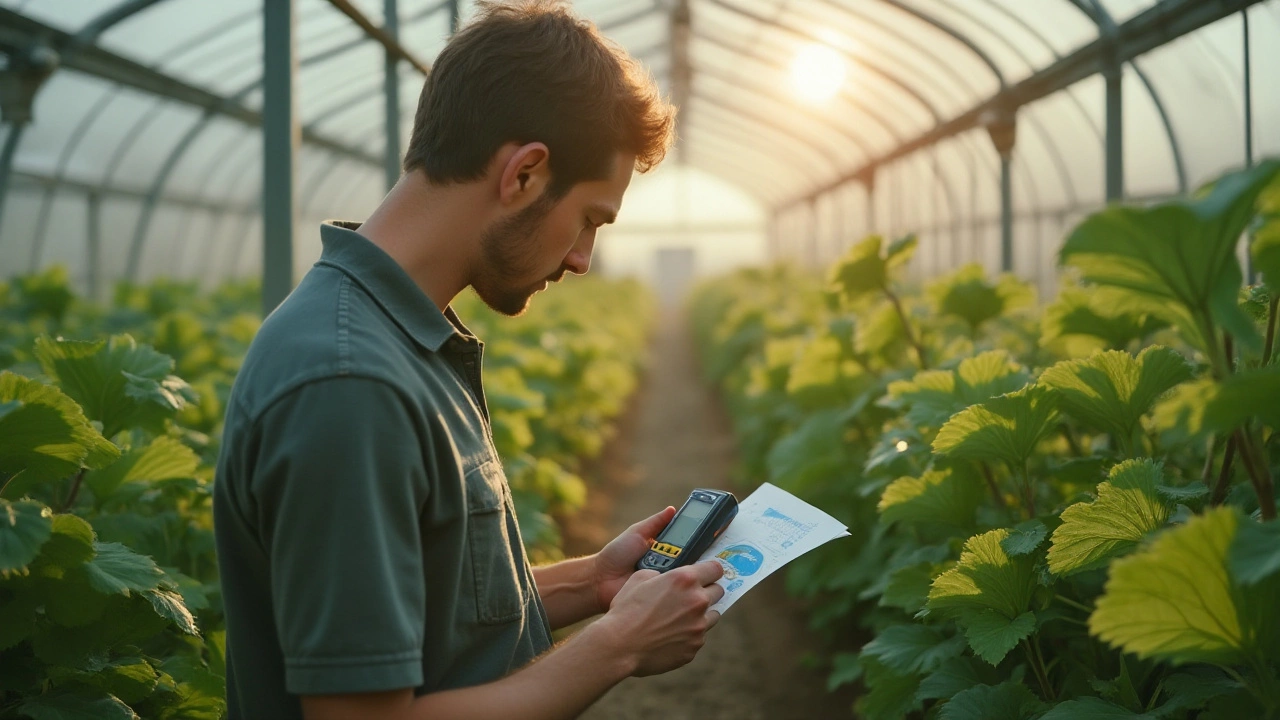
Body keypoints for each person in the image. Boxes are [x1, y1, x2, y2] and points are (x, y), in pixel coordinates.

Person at [211, 2, 725, 719]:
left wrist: (592, 585)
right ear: (523, 175)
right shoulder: (350, 383)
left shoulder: (400, 340)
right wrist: (619, 647)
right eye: (589, 220)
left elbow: (432, 620)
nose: (582, 259)